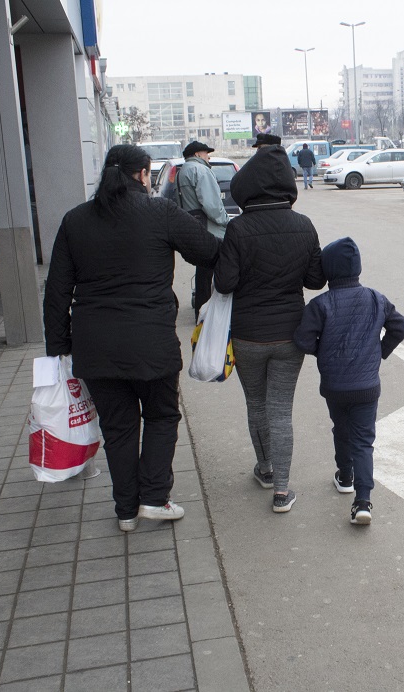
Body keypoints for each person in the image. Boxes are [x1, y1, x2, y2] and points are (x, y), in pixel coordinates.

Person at [43, 144, 221, 532]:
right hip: (151, 341)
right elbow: (209, 251)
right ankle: (154, 498)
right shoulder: (160, 212)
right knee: (161, 415)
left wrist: (57, 348)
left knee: (118, 427)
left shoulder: (75, 220)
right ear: (142, 175)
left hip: (95, 347)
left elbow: (57, 290)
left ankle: (126, 510)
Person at [214, 139, 325, 513]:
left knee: (256, 405)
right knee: (281, 410)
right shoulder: (303, 225)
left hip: (247, 335)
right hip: (291, 335)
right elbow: (314, 281)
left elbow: (225, 283)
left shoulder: (238, 229)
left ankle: (264, 468)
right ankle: (282, 490)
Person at [293, 237, 404, 525]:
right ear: (358, 267)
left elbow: (303, 339)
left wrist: (325, 352)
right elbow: (399, 326)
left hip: (334, 386)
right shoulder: (375, 298)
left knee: (341, 428)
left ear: (328, 271)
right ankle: (363, 501)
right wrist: (380, 352)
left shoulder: (321, 304)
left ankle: (345, 476)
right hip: (367, 386)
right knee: (364, 441)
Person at [177, 141, 229, 319]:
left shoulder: (182, 171)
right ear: (198, 154)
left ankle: (201, 309)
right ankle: (212, 312)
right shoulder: (200, 170)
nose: (209, 157)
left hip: (195, 226)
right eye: (206, 153)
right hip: (211, 229)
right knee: (217, 268)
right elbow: (212, 204)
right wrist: (226, 221)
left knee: (203, 272)